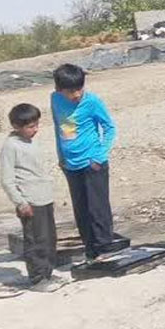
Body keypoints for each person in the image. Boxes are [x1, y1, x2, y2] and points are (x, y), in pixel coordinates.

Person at [51, 63, 119, 261]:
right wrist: (61, 155)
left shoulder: (92, 102)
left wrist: (99, 156)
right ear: (59, 89)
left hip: (92, 163)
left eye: (80, 89)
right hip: (70, 165)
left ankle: (105, 247)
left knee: (97, 208)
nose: (77, 94)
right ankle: (90, 248)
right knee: (81, 210)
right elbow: (60, 127)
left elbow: (109, 128)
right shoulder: (55, 99)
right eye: (71, 91)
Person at [0, 103, 62, 291]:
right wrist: (20, 202)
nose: (35, 129)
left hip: (44, 198)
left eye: (36, 125)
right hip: (29, 202)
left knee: (49, 239)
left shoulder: (32, 141)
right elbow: (7, 180)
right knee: (36, 241)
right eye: (30, 126)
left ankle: (47, 273)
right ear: (16, 126)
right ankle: (37, 279)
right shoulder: (11, 146)